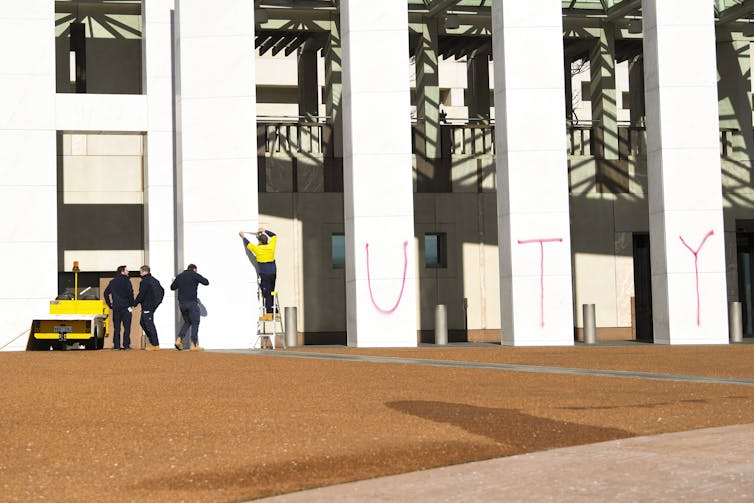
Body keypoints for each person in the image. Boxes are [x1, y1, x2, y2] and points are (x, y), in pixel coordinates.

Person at [239, 227, 278, 320]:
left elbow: (248, 244)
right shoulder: (271, 246)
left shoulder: (257, 249)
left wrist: (243, 236)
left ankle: (269, 314)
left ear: (260, 242)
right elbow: (274, 235)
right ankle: (275, 312)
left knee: (266, 293)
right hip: (273, 272)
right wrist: (264, 230)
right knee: (271, 292)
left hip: (264, 273)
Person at [170, 264, 209, 351]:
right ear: (194, 269)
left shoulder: (179, 276)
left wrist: (174, 281)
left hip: (182, 304)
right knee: (195, 322)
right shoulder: (194, 275)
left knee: (187, 322)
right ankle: (193, 345)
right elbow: (206, 282)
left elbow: (172, 288)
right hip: (192, 303)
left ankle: (179, 340)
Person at [104, 265, 135, 350]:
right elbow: (130, 293)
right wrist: (132, 303)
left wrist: (109, 304)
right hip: (126, 307)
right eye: (126, 270)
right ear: (122, 272)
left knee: (117, 327)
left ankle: (116, 345)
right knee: (127, 327)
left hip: (116, 307)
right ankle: (126, 345)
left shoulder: (112, 282)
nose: (128, 272)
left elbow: (106, 293)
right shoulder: (127, 282)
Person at [133, 265, 164, 351]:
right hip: (150, 305)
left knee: (149, 324)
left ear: (144, 271)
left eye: (140, 272)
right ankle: (153, 342)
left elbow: (141, 294)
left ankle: (155, 344)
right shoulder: (154, 280)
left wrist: (135, 303)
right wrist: (158, 302)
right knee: (142, 322)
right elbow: (162, 290)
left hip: (148, 305)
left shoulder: (145, 281)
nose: (140, 273)